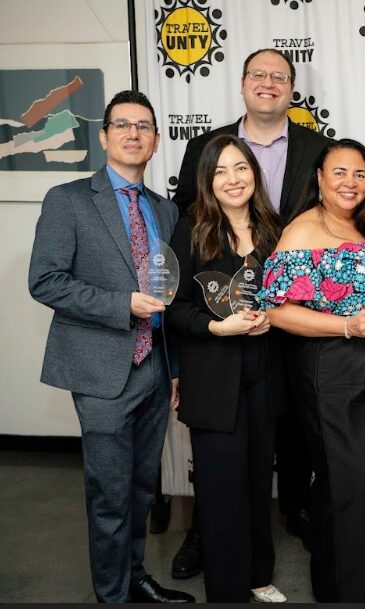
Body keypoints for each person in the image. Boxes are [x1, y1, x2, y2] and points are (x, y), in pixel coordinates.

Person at [170, 48, 331, 574]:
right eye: (258, 75)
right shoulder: (204, 147)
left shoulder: (317, 149)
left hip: (287, 334)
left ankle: (288, 522)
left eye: (279, 76)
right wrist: (211, 328)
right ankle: (209, 540)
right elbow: (186, 255)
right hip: (216, 350)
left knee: (279, 444)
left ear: (292, 88)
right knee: (221, 463)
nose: (268, 83)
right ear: (242, 84)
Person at [28, 90, 193, 603]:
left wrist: (174, 369)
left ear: (156, 141)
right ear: (103, 136)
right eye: (122, 124)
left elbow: (171, 296)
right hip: (100, 369)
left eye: (143, 126)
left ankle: (134, 577)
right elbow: (46, 281)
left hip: (154, 368)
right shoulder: (69, 199)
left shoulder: (166, 210)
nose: (132, 134)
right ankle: (112, 595)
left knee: (142, 487)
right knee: (109, 493)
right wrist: (123, 304)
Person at [258, 139, 365, 602]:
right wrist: (345, 326)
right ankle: (353, 590)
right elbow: (276, 310)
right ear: (320, 180)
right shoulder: (303, 230)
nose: (351, 182)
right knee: (350, 480)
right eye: (340, 172)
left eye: (360, 174)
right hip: (332, 372)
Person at [166, 134, 286, 602]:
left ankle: (258, 573)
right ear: (207, 181)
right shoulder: (192, 229)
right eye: (220, 171)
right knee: (220, 490)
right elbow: (174, 309)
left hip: (265, 376)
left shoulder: (275, 229)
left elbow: (292, 296)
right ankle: (228, 591)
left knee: (257, 482)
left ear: (254, 173)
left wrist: (270, 317)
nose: (232, 179)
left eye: (240, 168)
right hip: (213, 381)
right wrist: (217, 327)